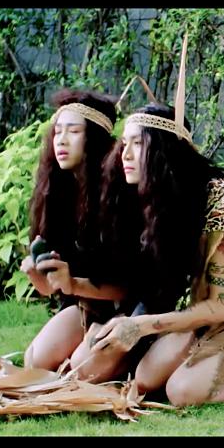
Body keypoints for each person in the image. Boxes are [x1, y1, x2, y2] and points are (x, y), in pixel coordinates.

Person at [93, 88, 224, 405]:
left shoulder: (223, 205)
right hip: (208, 305)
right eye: (124, 143)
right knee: (145, 378)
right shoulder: (160, 197)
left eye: (138, 144)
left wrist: (139, 325)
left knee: (181, 391)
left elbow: (220, 307)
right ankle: (210, 348)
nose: (125, 155)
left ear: (164, 150)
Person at [20, 88, 140, 381]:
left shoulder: (121, 194)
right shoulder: (57, 192)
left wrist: (73, 283)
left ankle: (133, 356)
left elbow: (131, 287)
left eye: (73, 131)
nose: (61, 140)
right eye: (57, 131)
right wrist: (37, 274)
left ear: (94, 138)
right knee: (34, 361)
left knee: (82, 370)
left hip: (130, 311)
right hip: (85, 305)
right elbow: (52, 289)